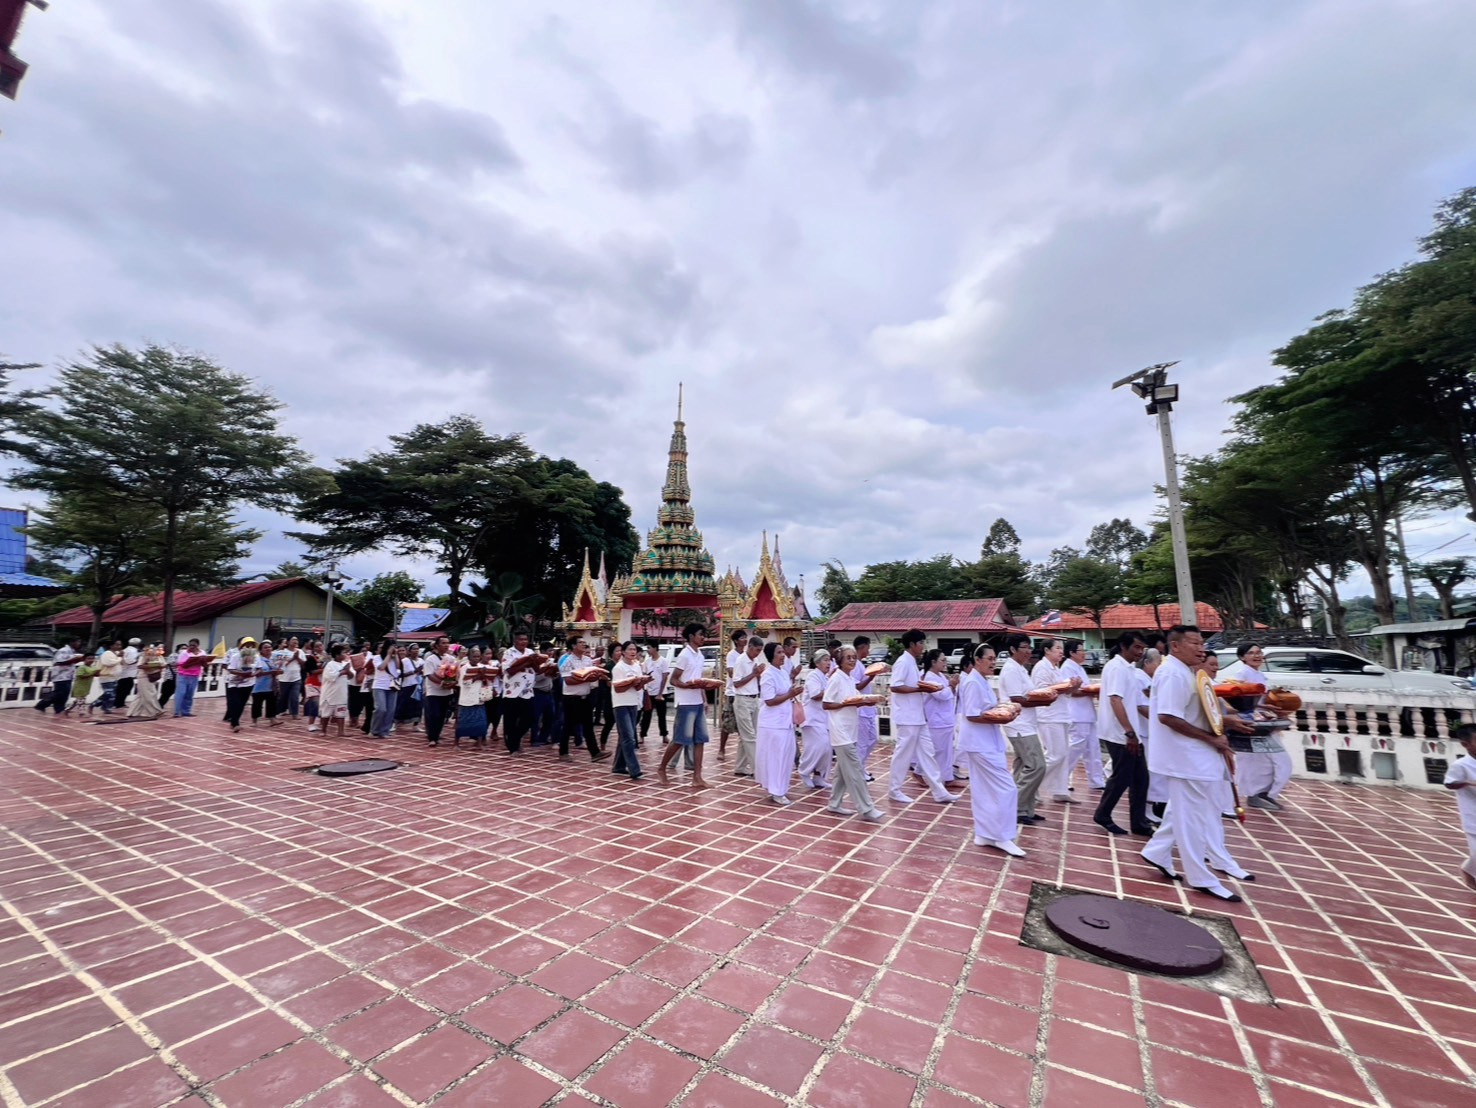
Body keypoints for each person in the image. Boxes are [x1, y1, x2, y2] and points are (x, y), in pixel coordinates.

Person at [1140, 625, 1255, 903]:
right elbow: (1168, 717)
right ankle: (1200, 877)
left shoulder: (1190, 672)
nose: (1200, 647)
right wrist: (1211, 738)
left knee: (1186, 810)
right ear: (1175, 646)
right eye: (1193, 642)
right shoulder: (1171, 673)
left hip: (1196, 754)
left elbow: (1195, 712)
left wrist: (1224, 722)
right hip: (1185, 756)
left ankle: (1156, 851)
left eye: (1201, 642)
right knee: (1192, 816)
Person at [958, 645, 1026, 856]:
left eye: (995, 657)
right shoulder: (972, 682)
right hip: (980, 744)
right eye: (989, 658)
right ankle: (1002, 836)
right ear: (977, 660)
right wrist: (1000, 716)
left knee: (984, 790)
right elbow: (971, 715)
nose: (993, 662)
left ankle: (985, 834)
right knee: (1007, 788)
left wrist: (1002, 711)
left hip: (985, 742)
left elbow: (985, 710)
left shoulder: (981, 681)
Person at [1221, 643, 1294, 812]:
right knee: (1257, 763)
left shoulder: (1259, 674)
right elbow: (1238, 701)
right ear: (1242, 658)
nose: (1257, 656)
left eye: (1259, 652)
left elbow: (1260, 701)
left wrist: (1270, 706)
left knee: (1275, 762)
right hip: (1250, 724)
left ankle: (1266, 794)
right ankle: (1257, 795)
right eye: (1251, 653)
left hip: (1262, 722)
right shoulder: (1241, 674)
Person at [1094, 632, 1153, 836]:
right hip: (1119, 733)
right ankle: (1103, 814)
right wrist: (1129, 732)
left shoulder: (1129, 669)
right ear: (1123, 647)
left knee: (1141, 779)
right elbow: (1115, 700)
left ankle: (1139, 823)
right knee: (1122, 777)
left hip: (1130, 731)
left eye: (1142, 648)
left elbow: (1138, 703)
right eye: (1136, 647)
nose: (1140, 652)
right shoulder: (1117, 667)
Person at [886, 630, 954, 805]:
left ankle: (939, 791)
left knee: (928, 753)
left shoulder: (912, 663)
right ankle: (895, 790)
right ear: (913, 644)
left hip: (918, 716)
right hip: (907, 717)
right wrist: (921, 689)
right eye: (921, 643)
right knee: (903, 754)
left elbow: (914, 685)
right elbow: (895, 686)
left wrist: (923, 688)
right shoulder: (903, 662)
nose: (923, 647)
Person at [822, 647, 884, 821]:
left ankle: (834, 803)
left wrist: (868, 701)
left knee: (842, 772)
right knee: (855, 770)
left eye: (854, 658)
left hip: (851, 730)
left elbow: (856, 700)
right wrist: (845, 704)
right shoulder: (836, 679)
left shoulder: (850, 679)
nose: (852, 660)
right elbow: (826, 704)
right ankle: (866, 808)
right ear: (840, 660)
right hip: (840, 731)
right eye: (848, 657)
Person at [659, 623, 719, 788]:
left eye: (704, 635)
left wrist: (704, 699)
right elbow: (673, 679)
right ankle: (662, 768)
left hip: (697, 703)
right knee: (680, 740)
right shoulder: (685, 655)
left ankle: (697, 777)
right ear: (691, 636)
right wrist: (687, 686)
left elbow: (699, 680)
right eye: (701, 634)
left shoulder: (699, 655)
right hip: (685, 703)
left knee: (700, 740)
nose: (703, 637)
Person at [1000, 634, 1049, 825]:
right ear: (1012, 649)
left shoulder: (1020, 669)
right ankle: (1015, 807)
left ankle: (1026, 809)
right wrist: (1044, 701)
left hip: (1026, 724)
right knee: (1037, 765)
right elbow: (1016, 699)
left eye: (1030, 647)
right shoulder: (1011, 669)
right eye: (1024, 647)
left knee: (1022, 768)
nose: (1029, 651)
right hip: (1019, 725)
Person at [1031, 638, 1080, 805]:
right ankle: (1030, 787)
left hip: (1061, 715)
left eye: (1061, 648)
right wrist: (1065, 686)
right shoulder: (1041, 668)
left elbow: (1064, 692)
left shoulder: (1056, 668)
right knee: (1055, 755)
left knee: (1063, 754)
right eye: (1057, 648)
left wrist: (1072, 687)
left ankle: (1060, 790)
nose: (1061, 651)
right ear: (1047, 650)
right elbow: (1041, 691)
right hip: (1049, 716)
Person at [756, 641, 803, 804]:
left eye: (783, 652)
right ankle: (776, 791)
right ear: (771, 656)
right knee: (777, 757)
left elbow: (787, 693)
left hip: (786, 721)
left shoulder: (783, 672)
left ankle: (781, 788)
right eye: (779, 652)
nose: (783, 655)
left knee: (786, 756)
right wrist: (790, 693)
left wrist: (794, 692)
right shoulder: (768, 675)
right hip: (773, 723)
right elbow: (769, 700)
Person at [1062, 640, 1106, 791]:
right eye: (1080, 650)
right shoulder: (1067, 668)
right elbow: (1070, 691)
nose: (1084, 653)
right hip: (1077, 714)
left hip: (1088, 714)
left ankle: (1097, 780)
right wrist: (1090, 691)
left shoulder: (1079, 668)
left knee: (1093, 749)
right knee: (1075, 748)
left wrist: (1092, 691)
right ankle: (1062, 778)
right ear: (1072, 653)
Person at [559, 637, 608, 763]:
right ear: (573, 646)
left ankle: (595, 753)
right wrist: (586, 679)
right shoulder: (567, 661)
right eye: (580, 642)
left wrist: (597, 675)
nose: (583, 644)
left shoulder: (587, 660)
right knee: (568, 725)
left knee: (588, 725)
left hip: (585, 696)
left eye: (584, 642)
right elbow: (568, 681)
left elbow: (592, 674)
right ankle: (563, 752)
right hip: (571, 697)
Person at [1442, 723, 1476, 890]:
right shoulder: (1461, 765)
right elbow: (1449, 783)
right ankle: (1468, 869)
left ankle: (1468, 868)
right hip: (1472, 815)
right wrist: (1468, 782)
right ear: (1465, 744)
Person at [610, 641, 650, 779]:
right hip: (621, 704)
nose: (633, 652)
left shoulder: (637, 666)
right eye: (630, 649)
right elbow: (618, 688)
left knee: (626, 735)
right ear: (623, 652)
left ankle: (618, 766)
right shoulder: (619, 668)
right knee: (629, 738)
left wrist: (643, 682)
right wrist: (631, 683)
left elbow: (637, 688)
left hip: (633, 703)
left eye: (634, 649)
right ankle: (634, 769)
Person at [730, 634, 765, 778]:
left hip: (754, 698)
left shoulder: (755, 659)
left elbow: (756, 679)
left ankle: (740, 766)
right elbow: (736, 683)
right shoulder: (740, 661)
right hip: (742, 699)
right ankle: (758, 769)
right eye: (756, 650)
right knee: (750, 736)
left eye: (759, 651)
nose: (758, 653)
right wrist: (754, 674)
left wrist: (759, 675)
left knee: (748, 735)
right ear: (750, 647)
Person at [500, 632, 542, 755]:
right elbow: (510, 671)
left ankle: (515, 739)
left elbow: (538, 670)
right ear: (515, 641)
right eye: (520, 639)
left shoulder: (530, 652)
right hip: (511, 691)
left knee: (530, 718)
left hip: (527, 691)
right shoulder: (508, 653)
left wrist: (534, 661)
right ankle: (513, 747)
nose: (523, 642)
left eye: (525, 639)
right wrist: (525, 663)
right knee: (510, 721)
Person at [798, 649, 834, 789]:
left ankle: (819, 776)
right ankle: (804, 771)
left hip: (823, 719)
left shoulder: (826, 678)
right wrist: (832, 691)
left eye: (829, 660)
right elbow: (815, 695)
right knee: (817, 747)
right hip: (811, 719)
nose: (828, 663)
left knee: (827, 749)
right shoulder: (813, 675)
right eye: (825, 660)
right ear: (817, 663)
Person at [921, 648, 957, 786]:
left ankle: (947, 778)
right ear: (933, 662)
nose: (945, 663)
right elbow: (941, 695)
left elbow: (949, 693)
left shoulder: (941, 676)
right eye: (942, 660)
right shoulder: (929, 678)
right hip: (937, 720)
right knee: (938, 752)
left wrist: (951, 686)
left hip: (946, 718)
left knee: (947, 752)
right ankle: (936, 779)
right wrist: (951, 686)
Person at [852, 637, 883, 775]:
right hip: (861, 710)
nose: (868, 651)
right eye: (868, 648)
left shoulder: (861, 664)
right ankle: (858, 772)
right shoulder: (855, 666)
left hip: (868, 709)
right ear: (862, 647)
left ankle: (861, 768)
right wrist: (871, 677)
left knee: (872, 739)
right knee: (862, 743)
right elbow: (856, 686)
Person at [420, 637, 457, 746]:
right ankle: (432, 737)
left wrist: (451, 683)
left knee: (442, 715)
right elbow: (429, 675)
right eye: (443, 643)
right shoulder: (430, 659)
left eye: (447, 643)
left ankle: (437, 735)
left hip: (446, 692)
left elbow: (453, 673)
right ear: (436, 646)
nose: (446, 645)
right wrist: (442, 683)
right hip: (433, 692)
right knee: (434, 714)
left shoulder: (451, 658)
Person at [455, 646, 493, 746]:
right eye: (474, 656)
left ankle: (479, 743)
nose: (476, 658)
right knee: (462, 721)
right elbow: (464, 683)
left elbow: (487, 681)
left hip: (478, 697)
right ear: (469, 657)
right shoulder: (464, 667)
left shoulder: (482, 667)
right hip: (466, 698)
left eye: (478, 656)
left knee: (480, 722)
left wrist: (485, 677)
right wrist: (477, 677)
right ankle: (456, 743)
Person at [721, 628, 748, 759]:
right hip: (732, 692)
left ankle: (743, 754)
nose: (745, 640)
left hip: (743, 692)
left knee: (743, 724)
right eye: (742, 637)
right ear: (736, 641)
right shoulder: (732, 655)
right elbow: (731, 673)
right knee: (727, 723)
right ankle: (721, 749)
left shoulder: (746, 655)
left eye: (745, 637)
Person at [37, 639, 81, 713]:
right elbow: (60, 662)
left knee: (64, 693)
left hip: (67, 675)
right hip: (60, 675)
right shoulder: (63, 650)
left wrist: (76, 660)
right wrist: (74, 660)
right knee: (59, 693)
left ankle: (59, 708)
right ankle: (41, 704)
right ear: (72, 642)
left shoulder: (72, 651)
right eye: (77, 642)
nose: (79, 644)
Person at [223, 638, 257, 732]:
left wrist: (253, 673)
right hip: (235, 682)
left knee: (242, 704)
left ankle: (234, 721)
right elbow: (231, 669)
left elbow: (259, 668)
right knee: (235, 702)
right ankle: (235, 723)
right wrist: (241, 674)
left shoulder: (255, 657)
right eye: (247, 645)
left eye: (251, 645)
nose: (249, 648)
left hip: (248, 683)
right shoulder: (235, 656)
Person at [319, 643, 352, 738]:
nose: (345, 654)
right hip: (329, 694)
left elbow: (351, 676)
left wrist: (348, 671)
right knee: (326, 714)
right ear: (337, 655)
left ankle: (341, 731)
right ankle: (323, 730)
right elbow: (331, 677)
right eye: (343, 653)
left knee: (341, 713)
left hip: (341, 693)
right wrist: (343, 671)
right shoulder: (330, 665)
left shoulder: (346, 664)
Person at [639, 643, 670, 743]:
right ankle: (642, 735)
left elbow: (664, 677)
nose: (647, 650)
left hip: (661, 692)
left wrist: (660, 693)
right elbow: (644, 674)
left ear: (655, 648)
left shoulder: (663, 661)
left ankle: (664, 735)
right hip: (649, 692)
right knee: (646, 715)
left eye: (649, 647)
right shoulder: (647, 661)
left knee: (662, 715)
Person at [368, 639, 398, 739]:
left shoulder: (394, 658)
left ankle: (384, 731)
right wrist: (388, 655)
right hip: (379, 686)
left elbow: (399, 667)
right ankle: (374, 731)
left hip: (392, 686)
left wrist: (396, 655)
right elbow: (381, 667)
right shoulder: (377, 657)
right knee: (381, 709)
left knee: (390, 710)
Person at [173, 639, 210, 718]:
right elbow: (182, 665)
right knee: (181, 693)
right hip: (183, 675)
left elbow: (205, 665)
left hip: (194, 675)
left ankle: (186, 711)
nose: (192, 647)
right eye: (190, 645)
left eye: (194, 645)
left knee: (190, 694)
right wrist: (195, 661)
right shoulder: (184, 652)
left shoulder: (202, 653)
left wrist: (203, 661)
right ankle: (177, 712)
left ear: (198, 645)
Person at [531, 643, 559, 746]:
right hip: (538, 693)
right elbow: (535, 679)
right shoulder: (537, 663)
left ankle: (543, 737)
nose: (551, 653)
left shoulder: (551, 662)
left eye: (552, 651)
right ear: (542, 652)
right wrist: (545, 673)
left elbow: (552, 677)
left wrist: (554, 674)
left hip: (549, 693)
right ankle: (534, 739)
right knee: (536, 717)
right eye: (549, 651)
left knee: (550, 717)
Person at [250, 640, 284, 727]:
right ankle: (254, 721)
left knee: (272, 702)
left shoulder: (273, 659)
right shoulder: (257, 659)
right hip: (259, 685)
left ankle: (272, 719)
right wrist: (271, 672)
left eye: (269, 647)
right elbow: (257, 673)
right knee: (257, 704)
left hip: (271, 685)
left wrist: (279, 671)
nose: (268, 649)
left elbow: (278, 670)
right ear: (261, 650)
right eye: (265, 647)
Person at [126, 646, 166, 719]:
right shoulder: (144, 655)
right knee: (150, 694)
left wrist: (158, 665)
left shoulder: (159, 656)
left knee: (141, 696)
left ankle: (132, 712)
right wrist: (154, 665)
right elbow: (140, 665)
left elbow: (164, 664)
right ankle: (155, 711)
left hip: (153, 676)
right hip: (144, 677)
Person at [273, 637, 306, 719]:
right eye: (293, 640)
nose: (295, 641)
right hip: (284, 678)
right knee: (283, 697)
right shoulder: (283, 652)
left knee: (295, 696)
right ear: (288, 642)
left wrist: (297, 658)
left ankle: (295, 714)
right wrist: (293, 658)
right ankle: (278, 711)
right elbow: (282, 665)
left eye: (296, 640)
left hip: (296, 677)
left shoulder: (300, 651)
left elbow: (303, 664)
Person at [96, 640, 123, 714]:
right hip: (106, 676)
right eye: (117, 645)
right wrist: (120, 658)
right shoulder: (107, 653)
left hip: (115, 677)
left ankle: (106, 707)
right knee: (109, 693)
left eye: (120, 645)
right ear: (111, 646)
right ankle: (95, 704)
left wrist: (121, 657)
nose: (119, 647)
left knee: (112, 694)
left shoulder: (117, 653)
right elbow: (109, 663)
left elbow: (121, 663)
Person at [115, 638, 141, 710]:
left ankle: (119, 703)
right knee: (125, 688)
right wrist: (139, 659)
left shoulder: (126, 649)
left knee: (121, 689)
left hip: (124, 672)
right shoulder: (133, 651)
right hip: (128, 673)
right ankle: (119, 703)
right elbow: (129, 661)